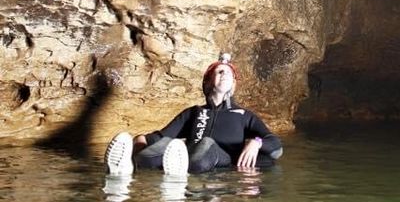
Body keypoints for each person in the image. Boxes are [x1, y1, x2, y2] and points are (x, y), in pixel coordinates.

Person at [104, 53, 283, 176]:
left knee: (206, 144)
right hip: (188, 158)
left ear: (234, 85)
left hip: (220, 161)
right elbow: (162, 136)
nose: (225, 74)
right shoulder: (194, 113)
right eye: (220, 72)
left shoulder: (244, 115)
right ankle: (128, 166)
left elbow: (276, 147)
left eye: (229, 73)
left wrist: (256, 142)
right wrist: (141, 140)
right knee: (167, 144)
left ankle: (177, 172)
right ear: (208, 81)